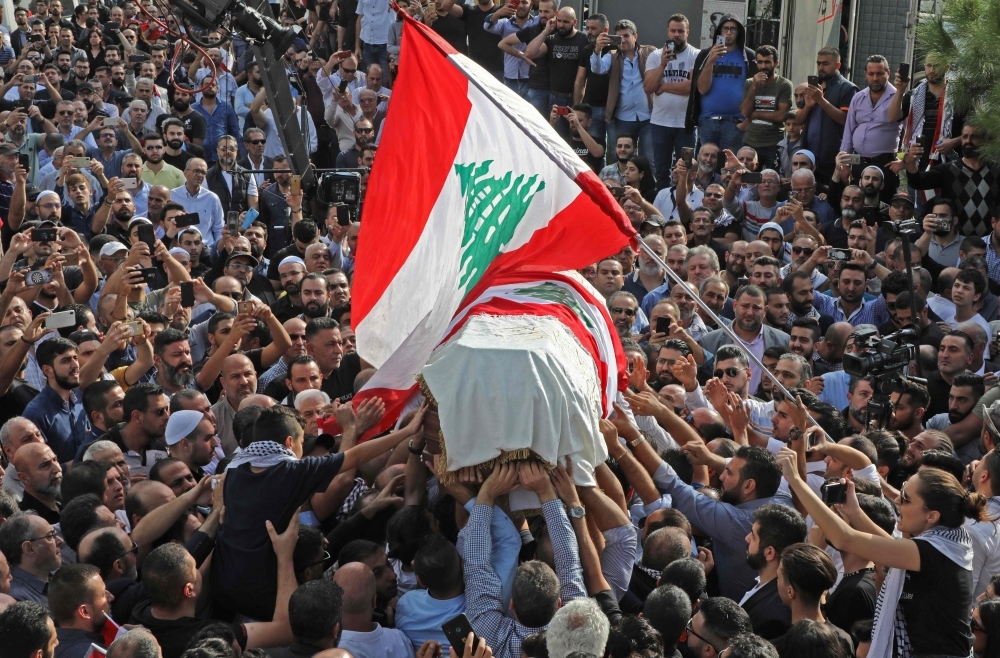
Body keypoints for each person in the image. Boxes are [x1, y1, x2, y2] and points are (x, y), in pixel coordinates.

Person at [777, 449, 985, 658]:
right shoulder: (944, 544)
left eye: (906, 498)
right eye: (902, 490)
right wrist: (855, 512)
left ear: (932, 516)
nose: (897, 502)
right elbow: (889, 545)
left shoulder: (935, 551)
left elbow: (844, 538)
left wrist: (795, 480)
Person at [685, 15, 757, 153]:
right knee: (707, 166)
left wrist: (746, 122)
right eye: (725, 29)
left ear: (739, 32)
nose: (729, 33)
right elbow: (702, 89)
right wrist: (711, 60)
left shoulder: (748, 56)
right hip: (707, 121)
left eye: (733, 29)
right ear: (719, 31)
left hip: (736, 122)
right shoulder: (706, 54)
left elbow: (757, 90)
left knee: (729, 168)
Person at [589, 19, 655, 166]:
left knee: (649, 159)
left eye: (626, 36)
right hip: (623, 118)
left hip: (648, 117)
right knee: (622, 159)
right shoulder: (612, 55)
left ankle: (649, 188)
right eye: (619, 37)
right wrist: (597, 50)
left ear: (635, 37)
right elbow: (597, 69)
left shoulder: (649, 51)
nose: (623, 40)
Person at [644, 14, 698, 185]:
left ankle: (684, 205)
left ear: (687, 32)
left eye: (681, 31)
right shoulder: (655, 56)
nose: (676, 35)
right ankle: (662, 207)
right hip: (660, 122)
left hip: (686, 123)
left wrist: (665, 87)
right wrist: (662, 65)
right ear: (668, 32)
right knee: (661, 171)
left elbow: (692, 87)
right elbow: (649, 87)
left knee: (686, 170)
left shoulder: (695, 55)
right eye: (673, 31)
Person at [741, 504, 807, 640]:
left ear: (769, 552)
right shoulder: (762, 583)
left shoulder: (773, 615)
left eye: (753, 536)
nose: (747, 538)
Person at [840, 56, 902, 200]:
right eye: (871, 74)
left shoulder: (898, 97)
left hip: (885, 163)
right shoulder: (858, 97)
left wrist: (904, 161)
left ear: (888, 73)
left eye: (879, 73)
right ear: (865, 74)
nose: (875, 78)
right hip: (859, 162)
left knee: (884, 205)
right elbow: (848, 132)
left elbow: (911, 131)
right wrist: (844, 164)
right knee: (857, 203)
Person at [738, 46, 792, 169]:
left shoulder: (784, 85)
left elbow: (781, 116)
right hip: (750, 141)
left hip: (773, 143)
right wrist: (754, 87)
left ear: (776, 63)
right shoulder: (750, 83)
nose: (763, 66)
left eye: (767, 62)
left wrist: (756, 114)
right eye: (760, 62)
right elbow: (745, 112)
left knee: (770, 179)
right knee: (747, 179)